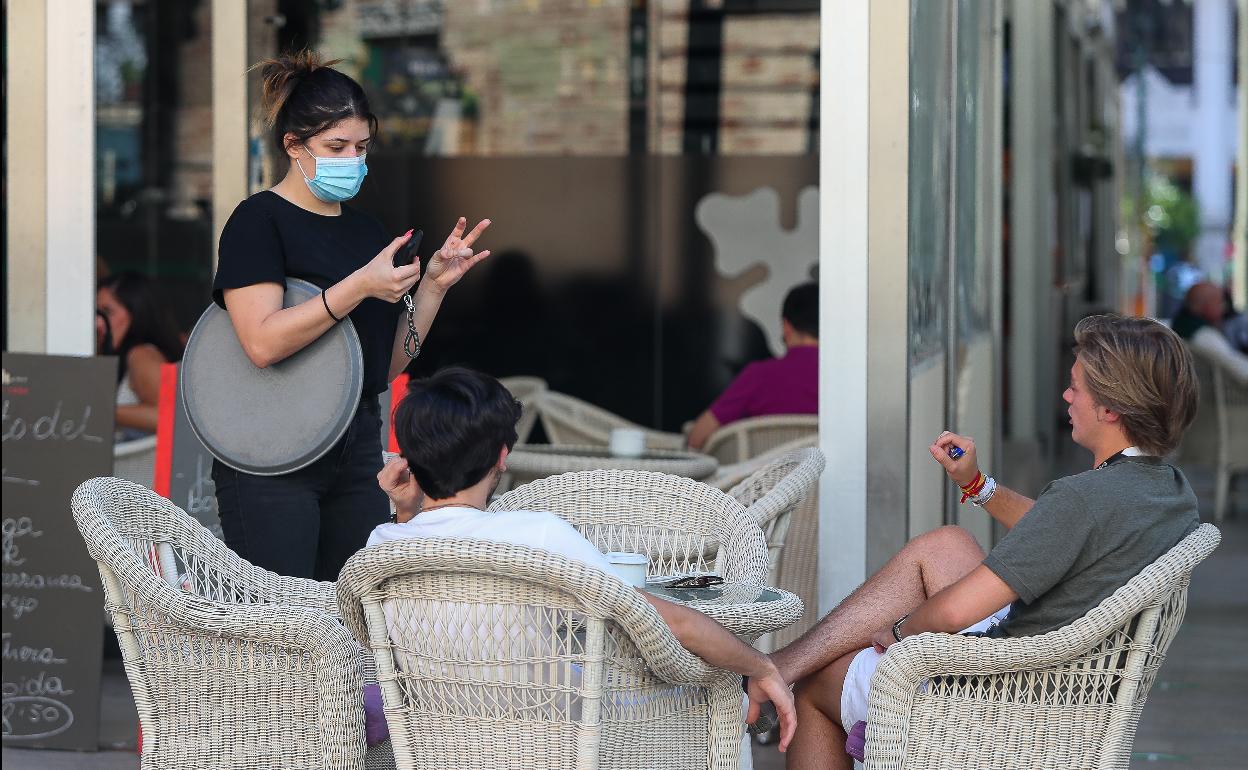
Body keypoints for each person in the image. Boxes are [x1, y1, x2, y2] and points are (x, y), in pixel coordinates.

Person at [768, 314, 1200, 770]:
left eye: (1076, 387)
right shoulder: (1169, 491)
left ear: (1110, 409)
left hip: (999, 701)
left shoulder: (1082, 499)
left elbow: (954, 612)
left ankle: (781, 672)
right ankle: (777, 666)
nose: (1066, 396)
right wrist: (976, 484)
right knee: (946, 545)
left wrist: (897, 633)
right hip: (1068, 687)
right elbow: (1057, 531)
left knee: (817, 687)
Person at [369, 367, 797, 751]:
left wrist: (407, 512)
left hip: (441, 734)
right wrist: (758, 666)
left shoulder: (383, 544)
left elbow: (429, 548)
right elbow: (670, 621)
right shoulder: (537, 535)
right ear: (502, 456)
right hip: (567, 734)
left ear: (408, 457)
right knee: (725, 693)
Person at [210, 51, 491, 581]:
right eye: (336, 146)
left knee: (353, 617)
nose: (352, 159)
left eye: (361, 147)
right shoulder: (257, 221)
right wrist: (358, 286)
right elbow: (262, 344)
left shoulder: (367, 233)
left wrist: (431, 287)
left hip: (356, 453)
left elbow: (378, 373)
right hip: (272, 456)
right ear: (294, 146)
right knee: (284, 621)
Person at [687, 282, 818, 450]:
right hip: (825, 476)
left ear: (786, 327)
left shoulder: (759, 376)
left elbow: (697, 436)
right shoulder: (844, 380)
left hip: (764, 476)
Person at [95, 272, 185, 441]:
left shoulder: (141, 355)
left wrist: (98, 411)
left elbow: (171, 416)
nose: (98, 322)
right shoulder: (119, 354)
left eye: (108, 312)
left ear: (137, 313)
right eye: (97, 312)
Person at [1171, 282, 1248, 382]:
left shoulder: (1181, 326)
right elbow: (1241, 371)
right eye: (1221, 302)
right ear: (1208, 305)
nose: (1224, 308)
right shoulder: (1204, 335)